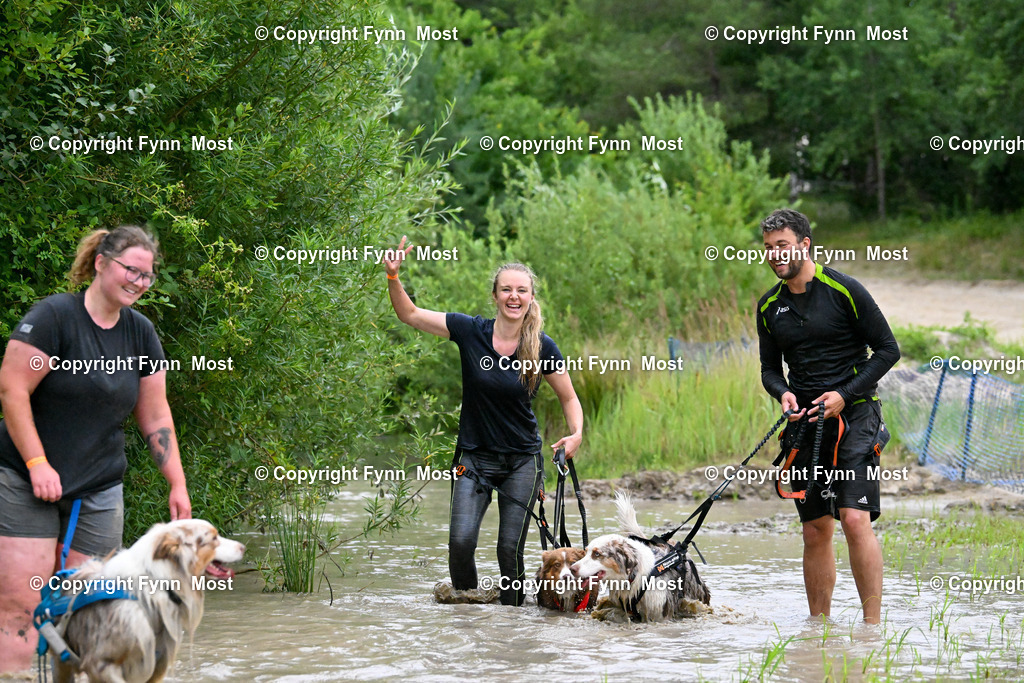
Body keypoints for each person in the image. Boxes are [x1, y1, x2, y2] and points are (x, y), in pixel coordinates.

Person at [0, 225, 191, 674]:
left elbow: (156, 416)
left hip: (99, 490)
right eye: (132, 271)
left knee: (90, 610)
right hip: (26, 479)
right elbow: (12, 390)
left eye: (148, 276)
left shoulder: (141, 334)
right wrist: (37, 462)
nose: (140, 283)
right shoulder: (54, 317)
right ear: (101, 263)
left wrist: (177, 482)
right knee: (20, 605)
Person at [384, 237, 583, 606]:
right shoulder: (469, 330)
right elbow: (409, 314)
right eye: (506, 289)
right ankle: (467, 617)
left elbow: (569, 397)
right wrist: (394, 277)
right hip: (473, 459)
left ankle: (510, 620)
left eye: (521, 290)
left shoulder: (542, 346)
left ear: (530, 297)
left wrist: (576, 434)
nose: (513, 296)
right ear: (494, 295)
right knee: (460, 544)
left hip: (522, 461)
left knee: (509, 550)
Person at [756, 208, 899, 624]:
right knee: (815, 529)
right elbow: (769, 369)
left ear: (804, 244)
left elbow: (888, 350)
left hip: (857, 417)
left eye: (782, 246)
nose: (775, 255)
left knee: (855, 520)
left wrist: (844, 393)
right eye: (768, 249)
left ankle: (873, 629)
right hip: (805, 426)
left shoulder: (844, 289)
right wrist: (782, 393)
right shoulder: (769, 306)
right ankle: (818, 630)